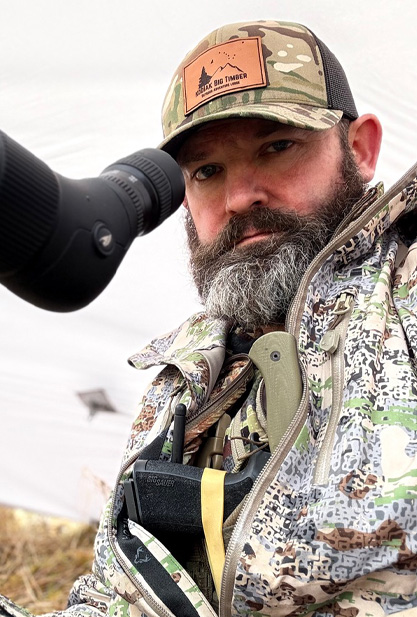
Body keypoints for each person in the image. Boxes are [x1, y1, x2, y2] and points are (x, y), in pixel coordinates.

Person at [2, 18, 417, 617]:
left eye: (277, 147)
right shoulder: (184, 375)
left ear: (361, 148)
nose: (240, 196)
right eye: (206, 171)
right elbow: (121, 600)